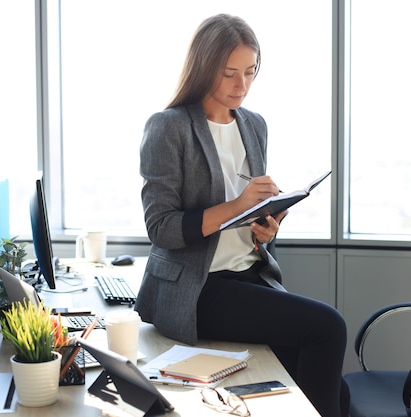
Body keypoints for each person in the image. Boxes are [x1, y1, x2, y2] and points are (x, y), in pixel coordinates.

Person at [135, 14, 349, 417]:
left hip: (251, 275)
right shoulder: (168, 128)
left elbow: (248, 218)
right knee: (329, 327)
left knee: (339, 394)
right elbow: (160, 228)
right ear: (203, 68)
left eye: (250, 72)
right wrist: (237, 205)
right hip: (199, 288)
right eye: (230, 73)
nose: (242, 86)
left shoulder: (254, 125)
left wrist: (265, 229)